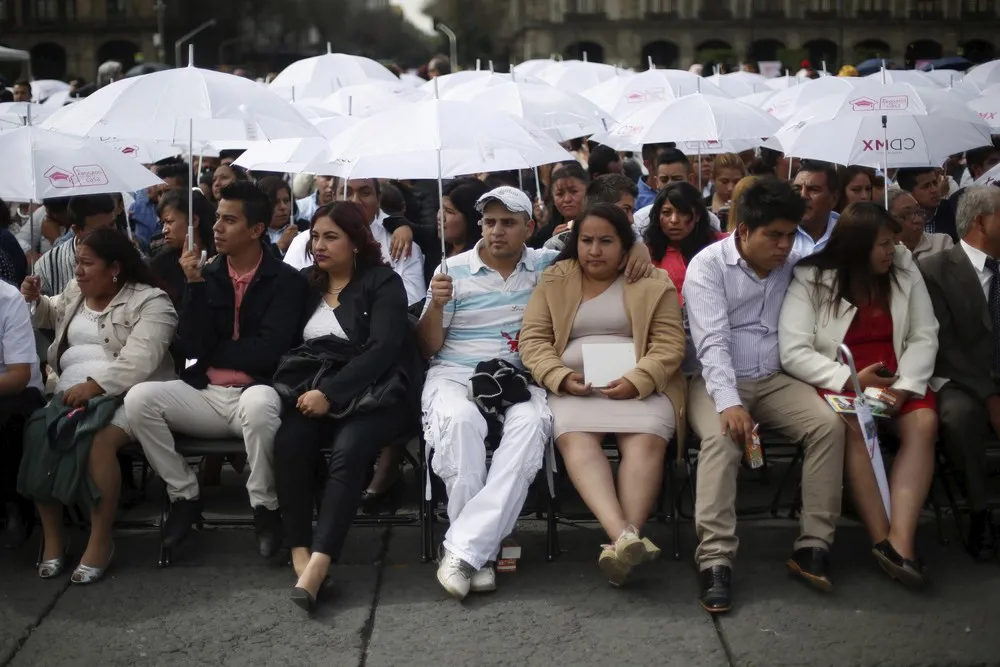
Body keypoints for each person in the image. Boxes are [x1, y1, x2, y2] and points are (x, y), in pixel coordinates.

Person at [418, 186, 653, 600]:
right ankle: (479, 553)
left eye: (509, 223)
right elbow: (428, 347)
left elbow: (601, 242)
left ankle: (463, 552)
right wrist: (436, 306)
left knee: (531, 426)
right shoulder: (450, 270)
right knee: (461, 422)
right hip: (455, 373)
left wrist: (638, 247)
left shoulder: (549, 264)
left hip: (518, 377)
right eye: (490, 222)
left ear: (529, 227)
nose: (497, 231)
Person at [683, 177, 846, 614]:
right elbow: (712, 342)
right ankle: (715, 559)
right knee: (722, 438)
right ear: (743, 230)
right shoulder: (708, 267)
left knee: (828, 426)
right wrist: (729, 403)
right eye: (773, 235)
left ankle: (814, 544)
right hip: (715, 380)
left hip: (775, 378)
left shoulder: (795, 262)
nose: (783, 245)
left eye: (790, 234)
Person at [124, 181, 309, 559]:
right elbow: (191, 346)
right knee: (139, 399)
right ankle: (184, 494)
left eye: (229, 220)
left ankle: (264, 506)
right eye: (218, 218)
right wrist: (193, 286)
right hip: (205, 394)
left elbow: (270, 353)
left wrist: (215, 351)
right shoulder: (206, 275)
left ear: (256, 229)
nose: (216, 227)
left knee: (260, 405)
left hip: (258, 391)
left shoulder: (287, 281)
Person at [519, 203, 687, 586]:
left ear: (625, 245)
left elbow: (669, 344)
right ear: (575, 243)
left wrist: (639, 379)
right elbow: (533, 340)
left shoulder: (652, 281)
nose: (594, 250)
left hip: (641, 389)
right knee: (576, 440)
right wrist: (560, 377)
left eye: (606, 241)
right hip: (576, 391)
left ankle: (622, 547)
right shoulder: (555, 279)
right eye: (587, 241)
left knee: (645, 442)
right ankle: (625, 538)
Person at [779, 202, 939, 587]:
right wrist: (849, 379)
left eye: (893, 241)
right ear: (858, 246)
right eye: (883, 244)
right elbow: (794, 351)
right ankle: (883, 539)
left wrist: (905, 387)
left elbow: (923, 333)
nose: (892, 250)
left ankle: (900, 540)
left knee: (924, 423)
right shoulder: (813, 277)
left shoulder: (904, 266)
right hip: (843, 376)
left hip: (897, 373)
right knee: (853, 426)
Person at [273, 202, 422, 613]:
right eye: (315, 236)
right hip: (315, 390)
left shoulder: (382, 281)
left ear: (356, 242)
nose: (319, 245)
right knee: (288, 443)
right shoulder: (306, 284)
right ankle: (300, 552)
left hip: (378, 393)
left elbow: (383, 349)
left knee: (350, 448)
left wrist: (332, 394)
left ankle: (321, 561)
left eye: (331, 237)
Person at [20, 229, 177, 582]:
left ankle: (101, 539)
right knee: (38, 433)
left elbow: (142, 360)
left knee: (97, 441)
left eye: (87, 263)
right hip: (68, 392)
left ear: (115, 268)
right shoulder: (76, 292)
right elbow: (51, 314)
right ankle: (54, 538)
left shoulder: (152, 301)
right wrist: (36, 299)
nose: (78, 271)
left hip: (130, 396)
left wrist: (95, 387)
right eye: (77, 262)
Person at [919, 186, 1000, 558]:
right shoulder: (935, 270)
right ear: (982, 221)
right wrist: (990, 395)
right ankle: (979, 514)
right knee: (959, 417)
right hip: (961, 378)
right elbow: (945, 346)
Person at [283, 178, 426, 307]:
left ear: (378, 198)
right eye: (347, 192)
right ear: (334, 197)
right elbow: (287, 297)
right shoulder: (303, 242)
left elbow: (412, 306)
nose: (355, 201)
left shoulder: (403, 245)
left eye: (365, 193)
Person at [644, 182, 728, 374]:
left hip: (714, 328)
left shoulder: (721, 245)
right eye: (666, 213)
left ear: (697, 215)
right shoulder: (647, 253)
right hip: (666, 336)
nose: (674, 220)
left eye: (682, 213)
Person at [0, 279, 45, 549]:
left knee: (5, 416)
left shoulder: (8, 299)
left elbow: (18, 376)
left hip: (19, 391)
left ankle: (13, 504)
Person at [35, 195, 118, 297]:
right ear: (77, 230)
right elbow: (38, 304)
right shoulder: (48, 265)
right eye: (101, 230)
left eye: (112, 225)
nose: (110, 234)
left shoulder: (128, 255)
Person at [150, 188, 216, 307]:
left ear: (194, 221)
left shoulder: (221, 257)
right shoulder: (161, 265)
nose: (164, 230)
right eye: (163, 223)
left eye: (169, 222)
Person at [544, 174, 637, 252]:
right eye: (625, 209)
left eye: (632, 211)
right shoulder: (558, 245)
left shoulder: (634, 243)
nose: (631, 220)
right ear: (602, 207)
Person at [888, 186, 953, 260]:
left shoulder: (941, 243)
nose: (918, 220)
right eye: (907, 214)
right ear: (889, 219)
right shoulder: (885, 253)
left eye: (918, 212)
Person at [792, 160, 840, 256]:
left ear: (833, 198)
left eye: (813, 189)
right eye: (797, 189)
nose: (803, 196)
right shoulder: (777, 232)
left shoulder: (847, 233)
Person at [896, 167, 956, 240]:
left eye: (935, 183)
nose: (934, 190)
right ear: (909, 193)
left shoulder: (953, 211)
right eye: (926, 186)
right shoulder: (900, 222)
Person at [257, 175, 302, 257]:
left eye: (286, 200)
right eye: (276, 202)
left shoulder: (303, 227)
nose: (283, 207)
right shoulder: (254, 233)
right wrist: (280, 246)